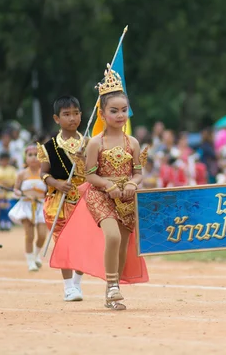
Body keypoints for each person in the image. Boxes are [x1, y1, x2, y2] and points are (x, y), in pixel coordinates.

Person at [53, 66, 149, 311]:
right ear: (102, 113)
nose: (120, 115)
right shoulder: (96, 143)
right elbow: (89, 175)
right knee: (113, 236)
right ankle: (114, 286)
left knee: (124, 243)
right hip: (100, 196)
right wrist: (108, 185)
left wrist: (131, 183)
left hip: (126, 198)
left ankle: (111, 290)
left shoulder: (133, 143)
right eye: (114, 110)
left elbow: (138, 173)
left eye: (124, 110)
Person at [37, 95, 87, 302]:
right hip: (60, 201)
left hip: (85, 200)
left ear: (81, 116)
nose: (72, 118)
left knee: (84, 242)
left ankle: (77, 281)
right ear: (57, 119)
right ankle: (68, 287)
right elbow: (43, 174)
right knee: (64, 243)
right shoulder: (48, 147)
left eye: (75, 113)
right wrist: (57, 183)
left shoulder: (89, 143)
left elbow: (95, 169)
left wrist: (85, 156)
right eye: (66, 114)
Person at [9, 145, 47, 271]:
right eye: (30, 155)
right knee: (29, 235)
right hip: (26, 206)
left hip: (41, 206)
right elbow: (15, 190)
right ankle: (30, 262)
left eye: (36, 154)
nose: (33, 157)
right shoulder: (22, 174)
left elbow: (49, 191)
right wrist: (18, 193)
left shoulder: (45, 173)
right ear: (26, 157)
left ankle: (36, 256)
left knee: (42, 235)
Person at [0, 152, 18, 231]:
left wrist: (7, 183)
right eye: (2, 160)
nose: (4, 162)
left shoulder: (12, 170)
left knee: (9, 207)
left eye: (6, 160)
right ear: (0, 160)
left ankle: (8, 222)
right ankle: (2, 222)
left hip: (9, 192)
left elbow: (15, 181)